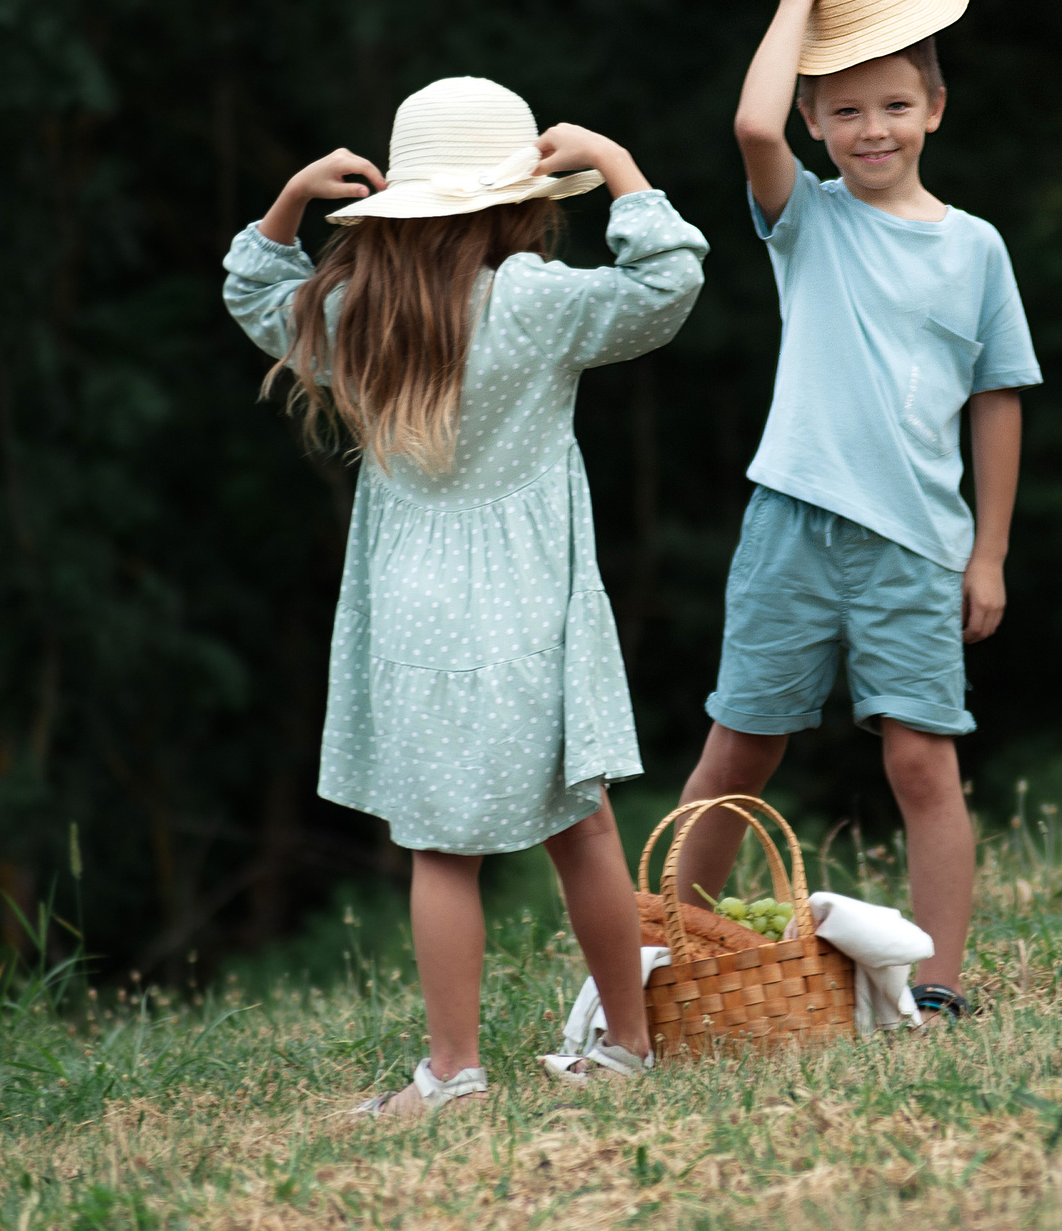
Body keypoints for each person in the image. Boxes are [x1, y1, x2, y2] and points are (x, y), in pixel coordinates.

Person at [223, 76, 706, 1117]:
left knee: (441, 852)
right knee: (581, 820)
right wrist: (621, 168)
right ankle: (626, 1045)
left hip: (412, 605)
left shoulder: (351, 311)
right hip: (531, 595)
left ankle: (454, 1072)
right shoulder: (536, 302)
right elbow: (664, 289)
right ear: (522, 202)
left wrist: (289, 203)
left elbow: (255, 297)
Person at [674, 0, 1041, 1024]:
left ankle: (935, 989)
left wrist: (990, 553)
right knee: (739, 748)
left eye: (892, 105)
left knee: (924, 766)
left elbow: (998, 399)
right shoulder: (809, 224)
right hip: (791, 523)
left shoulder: (975, 247)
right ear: (815, 125)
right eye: (842, 110)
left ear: (934, 109)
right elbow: (748, 120)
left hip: (918, 543)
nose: (869, 128)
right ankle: (656, 959)